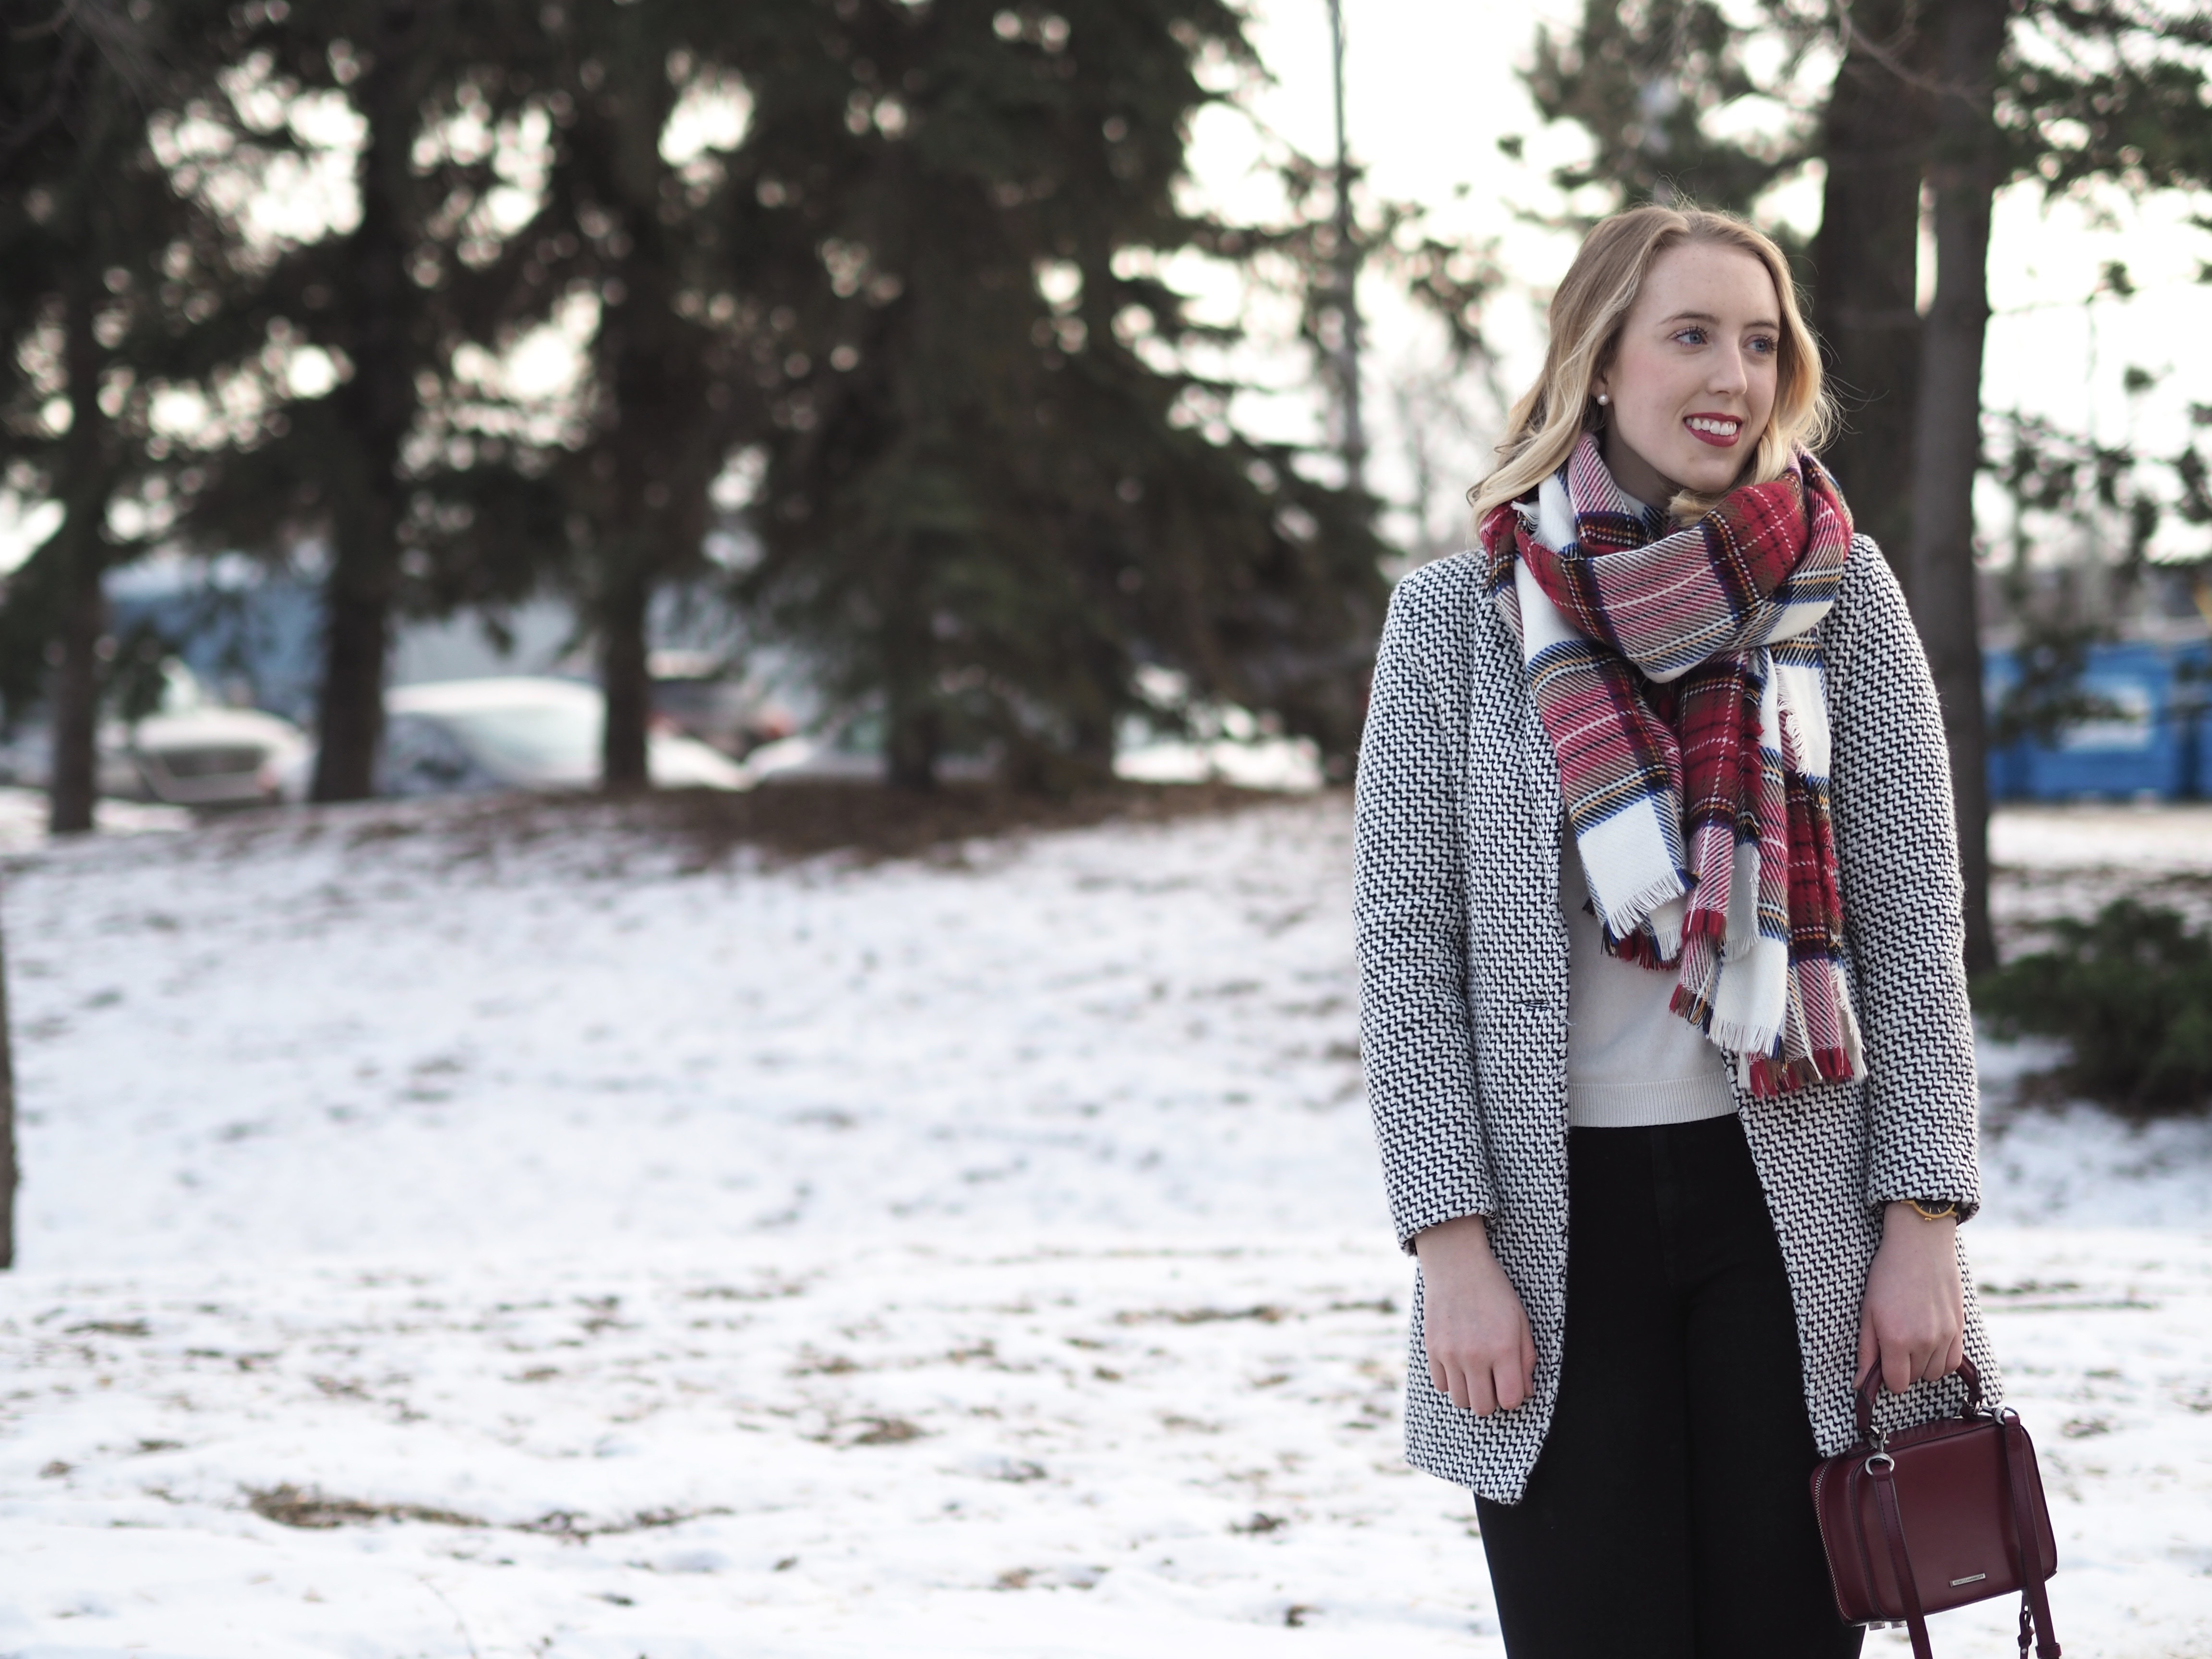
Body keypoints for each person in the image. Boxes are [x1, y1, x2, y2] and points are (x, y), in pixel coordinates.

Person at [1352, 203, 1996, 1659]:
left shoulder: (1843, 596)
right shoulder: (1454, 624)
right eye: (1690, 335)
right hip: (1546, 1220)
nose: (1733, 374)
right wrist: (1452, 1247)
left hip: (1793, 1218)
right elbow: (1407, 952)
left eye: (1760, 343)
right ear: (1600, 362)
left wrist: (1922, 1225)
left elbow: (1912, 931)